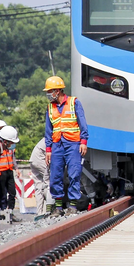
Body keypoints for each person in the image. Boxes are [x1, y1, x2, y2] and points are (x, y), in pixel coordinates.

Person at [43, 76, 89, 216]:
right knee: (55, 175)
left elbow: (82, 123)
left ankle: (73, 206)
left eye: (50, 91)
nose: (48, 94)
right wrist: (48, 149)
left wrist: (83, 142)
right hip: (57, 145)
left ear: (58, 90)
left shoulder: (74, 103)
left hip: (73, 144)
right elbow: (48, 130)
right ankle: (58, 207)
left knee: (74, 173)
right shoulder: (50, 107)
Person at [0, 120, 21, 222]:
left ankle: (10, 213)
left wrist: (16, 168)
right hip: (0, 171)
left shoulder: (10, 141)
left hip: (9, 170)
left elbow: (13, 157)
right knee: (1, 194)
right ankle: (1, 213)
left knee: (12, 193)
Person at [29, 138, 52, 221]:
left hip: (33, 159)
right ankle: (49, 209)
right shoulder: (54, 138)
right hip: (40, 159)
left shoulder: (47, 137)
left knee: (38, 186)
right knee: (49, 182)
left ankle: (39, 212)